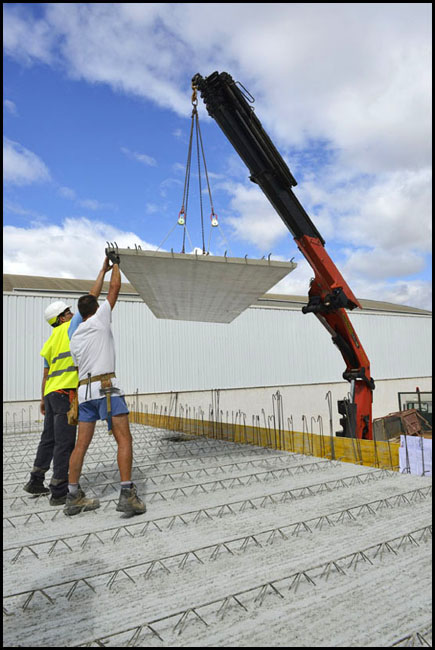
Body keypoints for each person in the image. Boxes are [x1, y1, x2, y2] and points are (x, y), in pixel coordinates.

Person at [23, 260, 111, 505]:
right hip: (65, 394)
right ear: (62, 318)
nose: (73, 313)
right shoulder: (69, 328)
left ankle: (36, 479)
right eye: (68, 312)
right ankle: (60, 490)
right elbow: (91, 298)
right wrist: (102, 272)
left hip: (51, 393)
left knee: (48, 438)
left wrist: (42, 399)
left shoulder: (50, 340)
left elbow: (45, 374)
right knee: (65, 442)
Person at [64, 254, 145, 517]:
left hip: (84, 392)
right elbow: (115, 288)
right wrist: (117, 265)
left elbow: (92, 296)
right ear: (96, 310)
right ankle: (126, 494)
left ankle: (73, 495)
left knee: (81, 445)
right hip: (107, 388)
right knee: (124, 439)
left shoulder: (74, 335)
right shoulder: (101, 319)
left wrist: (102, 270)